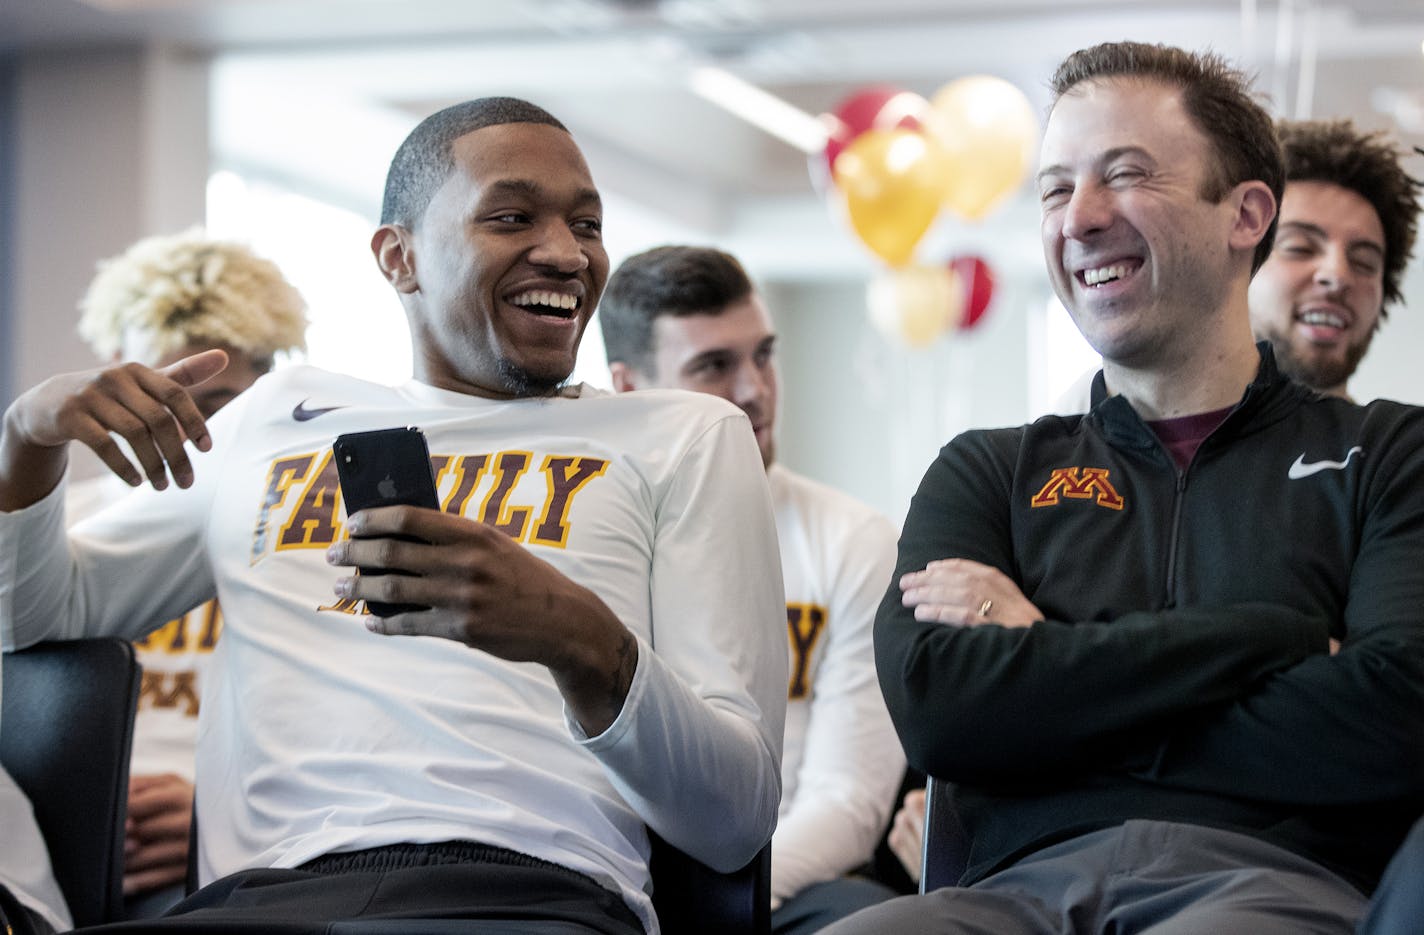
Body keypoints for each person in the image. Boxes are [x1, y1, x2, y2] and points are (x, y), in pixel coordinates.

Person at [0, 96, 785, 934]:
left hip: (527, 899)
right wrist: (27, 437)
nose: (566, 253)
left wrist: (576, 638)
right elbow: (38, 615)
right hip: (260, 904)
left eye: (587, 225)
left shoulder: (684, 434)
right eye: (514, 216)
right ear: (398, 257)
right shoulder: (277, 415)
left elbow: (733, 819)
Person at [825, 41, 1424, 934]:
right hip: (1005, 896)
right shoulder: (989, 469)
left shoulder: (1388, 454)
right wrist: (1273, 639)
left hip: (1270, 890)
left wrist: (1050, 664)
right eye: (1057, 188)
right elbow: (942, 711)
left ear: (1246, 213)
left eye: (1125, 173)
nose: (1080, 217)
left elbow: (1392, 720)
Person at [598, 245, 905, 933]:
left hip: (784, 884)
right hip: (612, 882)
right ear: (627, 388)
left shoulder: (853, 541)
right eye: (713, 365)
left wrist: (709, 910)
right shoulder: (590, 538)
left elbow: (847, 797)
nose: (753, 390)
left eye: (762, 355)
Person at [67, 227, 309, 918]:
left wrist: (215, 810)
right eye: (169, 392)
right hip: (48, 837)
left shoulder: (298, 543)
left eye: (223, 401)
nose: (194, 427)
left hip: (236, 855)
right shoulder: (52, 528)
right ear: (115, 367)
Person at [1248, 119, 1421, 400]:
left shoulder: (1398, 442)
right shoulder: (1159, 431)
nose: (1338, 275)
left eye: (1364, 262)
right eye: (1300, 247)